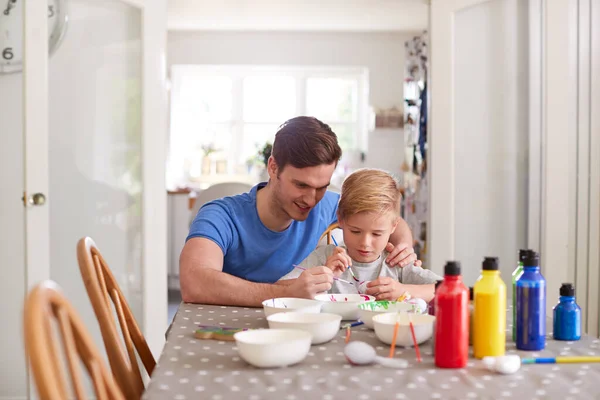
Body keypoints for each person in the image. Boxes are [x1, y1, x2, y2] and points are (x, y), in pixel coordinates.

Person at [179, 117, 418, 306]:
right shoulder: (220, 215)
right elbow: (194, 283)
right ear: (273, 167)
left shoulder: (326, 205)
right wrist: (286, 292)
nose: (311, 199)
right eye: (301, 185)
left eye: (322, 187)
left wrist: (403, 249)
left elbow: (389, 220)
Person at [281, 168, 441, 302]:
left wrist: (403, 290)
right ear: (341, 220)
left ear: (393, 227)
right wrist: (323, 277)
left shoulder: (396, 264)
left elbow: (447, 289)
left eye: (377, 234)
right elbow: (280, 288)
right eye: (355, 231)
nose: (365, 243)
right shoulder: (324, 258)